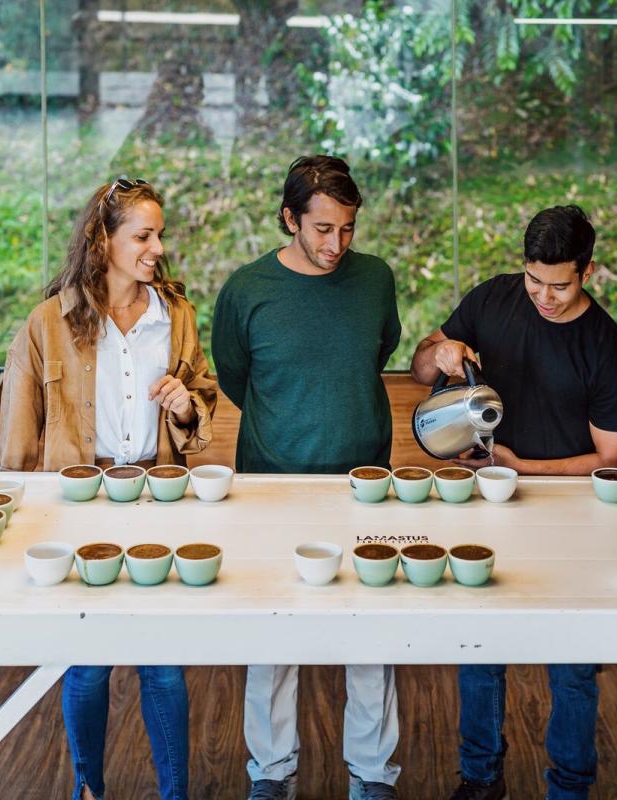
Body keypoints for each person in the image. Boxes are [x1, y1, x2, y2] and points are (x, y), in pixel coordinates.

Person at [409, 205, 617, 800]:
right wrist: (441, 351)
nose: (544, 296)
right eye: (535, 280)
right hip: (489, 505)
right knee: (479, 646)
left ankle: (570, 787)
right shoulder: (494, 299)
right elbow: (420, 365)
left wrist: (520, 467)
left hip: (573, 517)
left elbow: (612, 458)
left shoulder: (607, 348)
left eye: (559, 285)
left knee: (572, 663)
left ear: (587, 271)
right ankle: (480, 778)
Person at [0, 178, 218, 800]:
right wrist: (15, 529)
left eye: (159, 235)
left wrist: (183, 406)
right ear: (103, 241)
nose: (157, 249)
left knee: (162, 665)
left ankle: (174, 794)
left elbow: (202, 397)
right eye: (143, 236)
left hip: (156, 500)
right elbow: (17, 442)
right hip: (79, 506)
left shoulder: (175, 315)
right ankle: (88, 789)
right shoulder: (47, 322)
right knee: (88, 664)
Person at [211, 155, 402, 800]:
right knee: (273, 629)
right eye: (322, 228)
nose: (335, 243)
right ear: (289, 218)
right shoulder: (247, 290)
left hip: (366, 485)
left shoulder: (375, 279)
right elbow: (236, 377)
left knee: (370, 630)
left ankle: (373, 775)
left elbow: (376, 351)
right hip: (272, 486)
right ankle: (271, 773)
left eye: (347, 228)